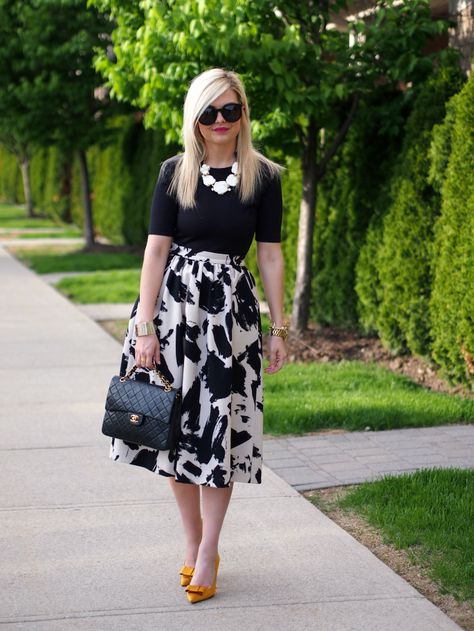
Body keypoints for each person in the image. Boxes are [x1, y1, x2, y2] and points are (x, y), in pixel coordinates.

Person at [109, 67, 288, 603]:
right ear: (194, 117)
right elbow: (155, 253)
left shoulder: (265, 177)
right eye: (208, 112)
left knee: (220, 433)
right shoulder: (173, 173)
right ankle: (192, 542)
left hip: (229, 324)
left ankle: (210, 547)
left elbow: (272, 255)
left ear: (243, 114)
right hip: (172, 319)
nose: (219, 121)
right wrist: (144, 327)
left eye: (229, 110)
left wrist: (278, 327)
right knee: (174, 431)